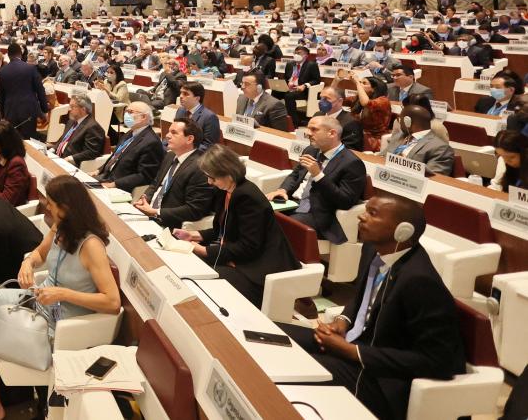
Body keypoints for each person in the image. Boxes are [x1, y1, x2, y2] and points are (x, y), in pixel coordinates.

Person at [277, 192, 464, 420]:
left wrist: (352, 351)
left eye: (372, 214)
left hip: (382, 379)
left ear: (402, 231)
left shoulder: (419, 281)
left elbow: (437, 361)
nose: (361, 218)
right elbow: (361, 296)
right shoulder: (374, 250)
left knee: (295, 368)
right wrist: (342, 322)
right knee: (276, 336)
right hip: (357, 346)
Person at [0, 174, 121, 420]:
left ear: (67, 207)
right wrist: (28, 263)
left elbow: (112, 303)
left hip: (63, 319)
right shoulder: (59, 227)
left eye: (51, 203)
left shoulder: (91, 246)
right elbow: (39, 252)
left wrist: (63, 293)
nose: (47, 207)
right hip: (40, 299)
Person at [173, 144, 300, 305]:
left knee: (202, 283)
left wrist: (202, 250)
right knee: (187, 267)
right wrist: (193, 235)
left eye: (212, 177)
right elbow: (222, 230)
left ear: (229, 174)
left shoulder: (248, 197)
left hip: (257, 269)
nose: (209, 182)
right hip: (238, 259)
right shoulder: (224, 191)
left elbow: (248, 246)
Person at [268, 116, 367, 244]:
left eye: (314, 129)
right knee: (256, 212)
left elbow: (345, 201)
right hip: (292, 203)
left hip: (318, 214)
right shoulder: (311, 150)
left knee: (279, 226)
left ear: (332, 133)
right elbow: (296, 174)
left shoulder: (352, 163)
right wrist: (283, 189)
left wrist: (318, 176)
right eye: (308, 129)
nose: (308, 133)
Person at [132, 119, 215, 228]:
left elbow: (194, 209)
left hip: (169, 224)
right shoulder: (170, 156)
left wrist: (156, 212)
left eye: (174, 133)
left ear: (189, 139)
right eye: (168, 131)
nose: (167, 136)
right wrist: (144, 199)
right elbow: (155, 184)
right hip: (148, 215)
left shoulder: (201, 167)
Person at [97, 100, 164, 192]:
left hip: (120, 186)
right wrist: (98, 170)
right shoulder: (130, 133)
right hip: (106, 177)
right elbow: (115, 157)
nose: (126, 115)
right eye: (126, 111)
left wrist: (114, 184)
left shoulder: (151, 142)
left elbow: (145, 175)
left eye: (130, 112)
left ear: (143, 117)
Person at [383, 103, 455, 176]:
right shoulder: (398, 136)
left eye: (400, 119)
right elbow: (381, 157)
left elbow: (433, 178)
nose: (399, 122)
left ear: (407, 121)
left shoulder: (440, 148)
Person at [0, 42, 47, 139]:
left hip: (9, 111)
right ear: (20, 54)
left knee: (12, 140)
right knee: (29, 141)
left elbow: (0, 96)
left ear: (8, 55)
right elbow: (40, 90)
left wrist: (2, 114)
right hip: (28, 111)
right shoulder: (30, 68)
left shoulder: (1, 71)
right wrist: (44, 109)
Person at [50, 92, 105, 165]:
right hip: (58, 157)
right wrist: (52, 150)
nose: (69, 109)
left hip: (71, 163)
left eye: (72, 107)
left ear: (83, 109)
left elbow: (91, 152)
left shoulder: (93, 127)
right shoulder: (71, 121)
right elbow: (63, 140)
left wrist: (70, 158)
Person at [312, 85, 364, 151]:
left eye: (326, 98)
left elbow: (350, 149)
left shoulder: (351, 121)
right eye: (321, 98)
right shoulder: (317, 115)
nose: (321, 101)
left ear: (340, 101)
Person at [282, 44, 322, 123]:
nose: (296, 55)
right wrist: (285, 84)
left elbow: (316, 80)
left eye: (299, 53)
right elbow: (286, 77)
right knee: (274, 92)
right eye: (295, 53)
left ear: (306, 56)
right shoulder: (290, 64)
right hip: (289, 88)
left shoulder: (312, 65)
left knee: (289, 96)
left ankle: (293, 122)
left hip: (302, 90)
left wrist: (305, 85)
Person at [175, 81, 220, 148]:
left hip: (195, 155)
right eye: (181, 93)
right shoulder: (180, 111)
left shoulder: (210, 117)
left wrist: (185, 149)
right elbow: (174, 133)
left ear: (197, 98)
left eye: (185, 94)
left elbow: (208, 146)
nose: (181, 96)